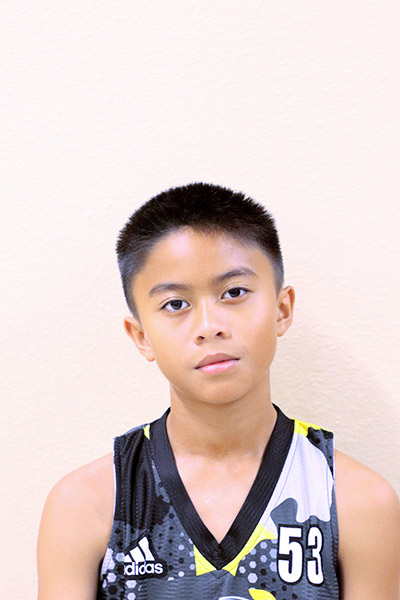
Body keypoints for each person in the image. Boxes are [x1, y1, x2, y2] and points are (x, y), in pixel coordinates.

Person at [37, 183, 400, 600]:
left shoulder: (357, 501)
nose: (209, 326)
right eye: (176, 304)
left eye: (234, 293)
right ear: (141, 336)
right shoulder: (87, 504)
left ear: (282, 309)